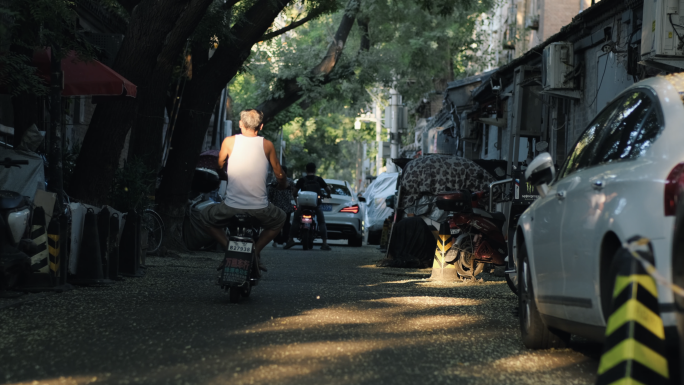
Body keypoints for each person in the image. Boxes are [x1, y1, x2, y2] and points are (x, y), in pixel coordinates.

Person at [200, 109, 287, 271]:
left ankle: (228, 247)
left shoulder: (229, 142)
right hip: (260, 208)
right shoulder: (267, 145)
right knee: (280, 219)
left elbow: (220, 164)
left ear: (240, 124)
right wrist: (283, 185)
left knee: (204, 217)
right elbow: (279, 174)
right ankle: (255, 251)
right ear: (260, 126)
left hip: (230, 207)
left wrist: (222, 174)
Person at [284, 162, 332, 251]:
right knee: (321, 222)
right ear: (315, 170)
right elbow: (328, 189)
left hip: (303, 206)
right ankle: (325, 243)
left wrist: (296, 197)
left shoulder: (302, 180)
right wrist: (328, 194)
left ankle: (290, 239)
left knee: (295, 219)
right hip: (315, 205)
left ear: (306, 170)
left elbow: (294, 192)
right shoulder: (319, 180)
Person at [268, 165, 295, 247]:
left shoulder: (274, 182)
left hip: (278, 206)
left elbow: (270, 194)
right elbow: (293, 194)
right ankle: (284, 240)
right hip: (285, 207)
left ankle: (277, 240)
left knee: (278, 223)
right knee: (285, 224)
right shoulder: (289, 182)